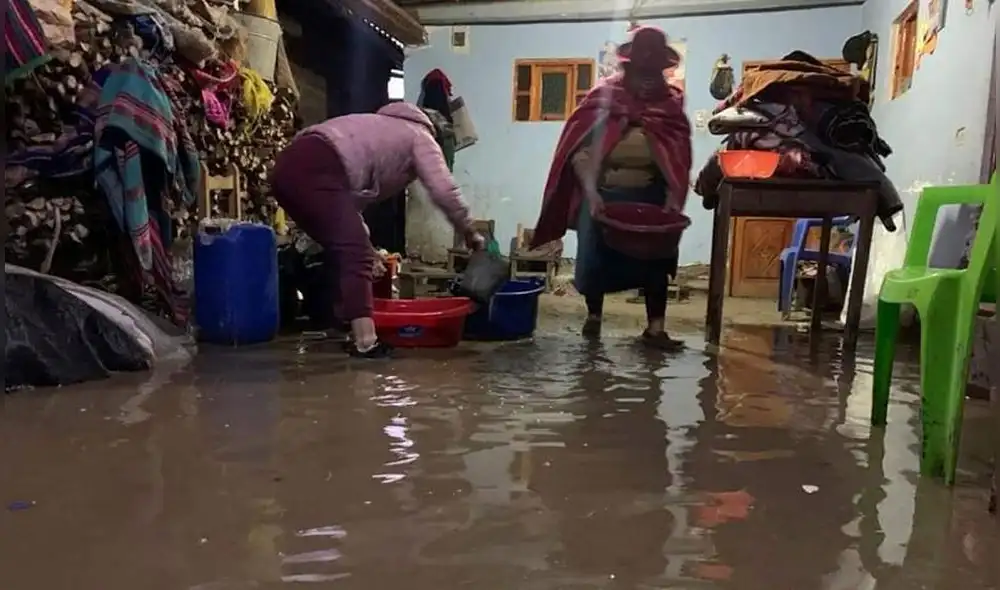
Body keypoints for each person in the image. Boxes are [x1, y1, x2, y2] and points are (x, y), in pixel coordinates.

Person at [270, 102, 483, 357]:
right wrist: (469, 231)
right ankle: (366, 342)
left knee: (343, 248)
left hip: (285, 169)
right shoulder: (420, 135)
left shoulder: (377, 126)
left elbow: (348, 207)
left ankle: (341, 323)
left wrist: (369, 249)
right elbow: (443, 189)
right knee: (353, 252)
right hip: (317, 166)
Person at [530, 26, 693, 349]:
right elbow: (580, 151)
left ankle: (655, 329)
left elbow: (678, 159)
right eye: (640, 71)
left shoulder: (670, 107)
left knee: (657, 262)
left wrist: (673, 199)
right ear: (627, 68)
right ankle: (594, 318)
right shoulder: (604, 99)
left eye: (654, 71)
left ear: (663, 71)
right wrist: (591, 194)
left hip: (650, 197)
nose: (647, 78)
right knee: (595, 256)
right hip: (602, 195)